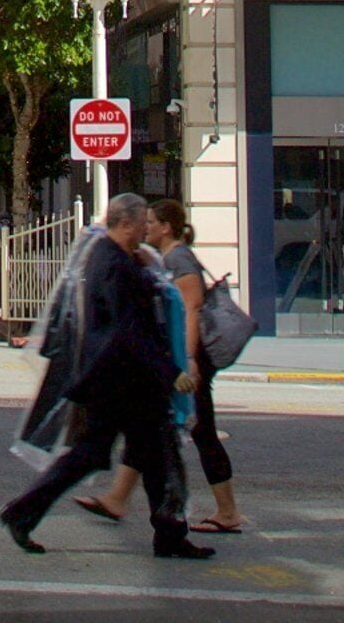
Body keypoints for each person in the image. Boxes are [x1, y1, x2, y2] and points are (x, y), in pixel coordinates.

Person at [0, 194, 212, 561]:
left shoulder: (112, 255)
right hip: (121, 381)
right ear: (125, 224)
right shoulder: (114, 264)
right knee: (122, 454)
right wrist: (170, 372)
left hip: (120, 379)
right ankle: (22, 512)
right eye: (142, 223)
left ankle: (169, 534)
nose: (146, 230)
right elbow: (129, 329)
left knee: (144, 455)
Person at [80, 198, 245, 533]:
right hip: (178, 360)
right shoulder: (165, 257)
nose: (147, 227)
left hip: (192, 361)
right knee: (149, 425)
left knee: (201, 431)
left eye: (152, 222)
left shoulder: (178, 258)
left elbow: (191, 309)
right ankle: (117, 498)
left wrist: (189, 362)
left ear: (167, 228)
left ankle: (227, 512)